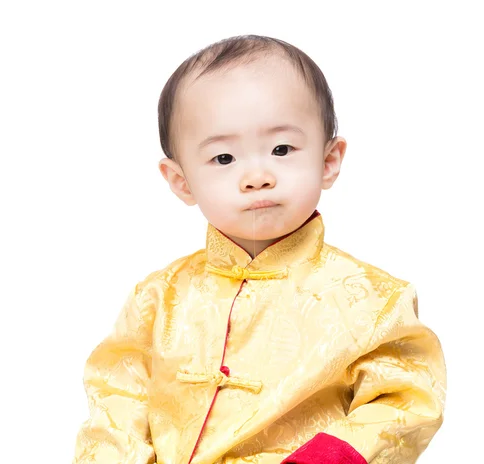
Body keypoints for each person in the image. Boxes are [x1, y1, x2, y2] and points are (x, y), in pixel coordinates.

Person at [72, 34, 446, 464]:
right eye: (224, 158)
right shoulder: (157, 299)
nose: (257, 176)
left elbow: (406, 399)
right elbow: (118, 395)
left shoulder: (373, 300)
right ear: (181, 181)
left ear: (329, 161)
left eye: (281, 149)